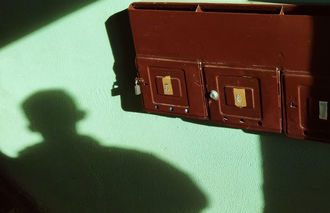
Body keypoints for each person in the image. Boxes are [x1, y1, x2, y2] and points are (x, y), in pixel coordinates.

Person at [5, 89, 207, 213]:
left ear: (32, 127)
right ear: (78, 115)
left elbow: (193, 199)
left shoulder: (21, 174)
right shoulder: (129, 160)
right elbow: (193, 198)